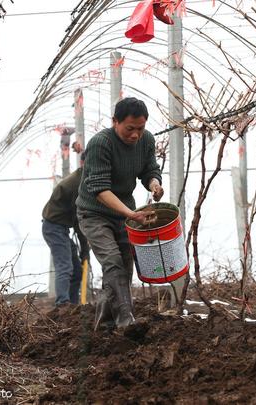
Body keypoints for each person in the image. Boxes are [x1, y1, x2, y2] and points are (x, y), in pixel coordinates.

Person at [76, 97, 164, 329]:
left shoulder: (146, 141)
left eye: (140, 128)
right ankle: (126, 319)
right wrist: (131, 214)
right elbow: (100, 190)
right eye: (129, 129)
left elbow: (149, 170)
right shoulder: (100, 144)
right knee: (112, 261)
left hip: (124, 213)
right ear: (115, 121)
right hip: (93, 213)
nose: (135, 135)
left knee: (123, 267)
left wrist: (154, 184)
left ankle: (104, 326)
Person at [42, 151, 89, 306]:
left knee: (76, 271)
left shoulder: (84, 179)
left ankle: (73, 306)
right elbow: (79, 219)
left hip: (61, 228)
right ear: (83, 163)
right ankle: (62, 303)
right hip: (54, 227)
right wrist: (85, 250)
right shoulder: (77, 184)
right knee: (65, 266)